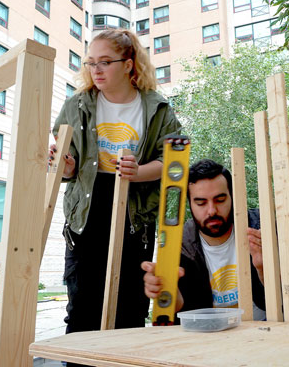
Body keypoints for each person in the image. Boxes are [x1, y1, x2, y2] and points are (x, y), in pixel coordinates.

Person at [48, 29, 182, 347]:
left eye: (105, 62)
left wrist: (139, 172)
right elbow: (70, 169)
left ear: (128, 64)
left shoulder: (156, 107)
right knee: (82, 309)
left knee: (130, 310)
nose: (96, 69)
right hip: (87, 214)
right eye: (91, 62)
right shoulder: (77, 104)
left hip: (135, 215)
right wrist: (64, 166)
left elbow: (174, 162)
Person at [142, 159, 266, 319]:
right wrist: (165, 290)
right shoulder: (178, 244)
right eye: (201, 203)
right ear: (190, 205)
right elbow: (182, 308)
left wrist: (264, 270)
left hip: (265, 327)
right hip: (209, 335)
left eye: (220, 200)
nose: (212, 211)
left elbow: (287, 299)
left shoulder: (261, 228)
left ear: (232, 198)